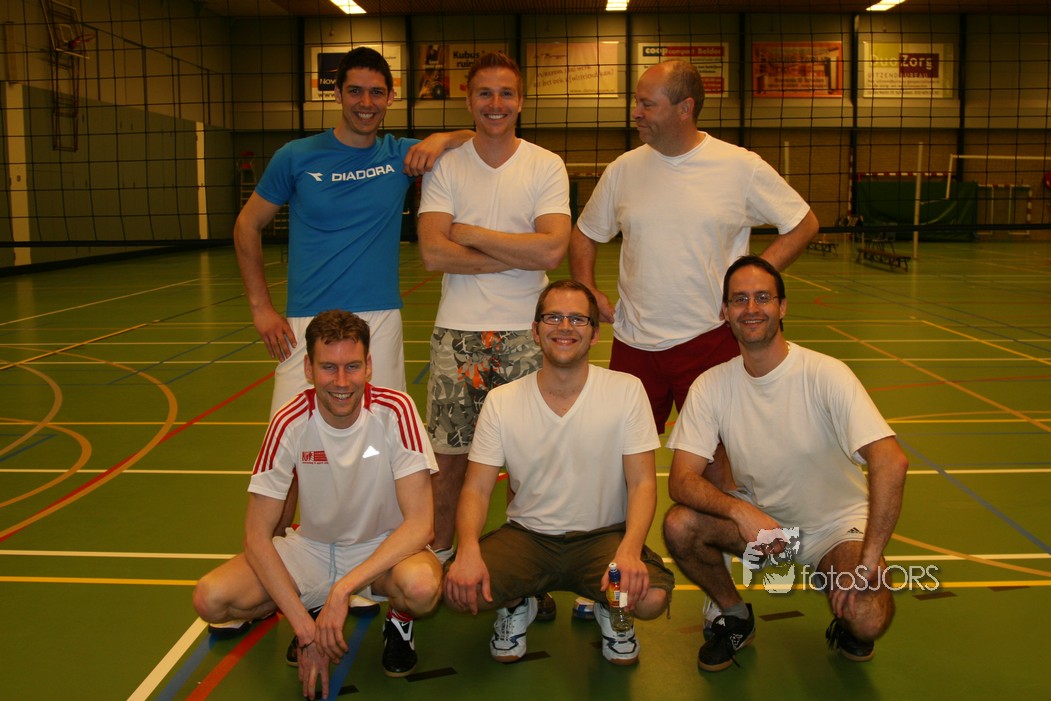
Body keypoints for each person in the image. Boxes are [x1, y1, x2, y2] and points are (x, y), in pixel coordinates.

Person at [661, 256, 909, 672]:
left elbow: (891, 462)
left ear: (782, 307)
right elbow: (681, 480)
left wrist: (868, 561)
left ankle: (848, 617)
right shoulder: (712, 385)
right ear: (725, 312)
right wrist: (740, 511)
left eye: (763, 297)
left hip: (835, 530)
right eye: (739, 299)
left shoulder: (826, 374)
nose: (751, 308)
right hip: (766, 527)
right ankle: (734, 615)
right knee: (679, 526)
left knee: (868, 618)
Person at [192, 310, 441, 700]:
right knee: (210, 599)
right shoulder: (288, 421)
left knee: (422, 586)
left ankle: (397, 620)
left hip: (380, 547)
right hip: (311, 549)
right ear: (308, 368)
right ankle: (304, 608)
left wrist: (342, 591)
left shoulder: (397, 411)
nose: (341, 382)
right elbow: (256, 536)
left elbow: (421, 524)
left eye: (352, 366)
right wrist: (305, 632)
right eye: (328, 367)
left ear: (369, 365)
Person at [569, 59, 819, 435]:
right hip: (633, 341)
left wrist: (749, 284)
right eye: (636, 102)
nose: (635, 113)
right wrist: (587, 288)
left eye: (647, 104)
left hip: (710, 337)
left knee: (718, 454)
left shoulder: (740, 166)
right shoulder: (623, 168)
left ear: (684, 108)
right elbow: (584, 233)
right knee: (621, 452)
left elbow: (803, 224)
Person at [444, 280, 673, 665]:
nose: (565, 327)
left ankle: (611, 606)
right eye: (553, 317)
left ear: (595, 334)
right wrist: (466, 549)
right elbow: (476, 490)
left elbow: (643, 483)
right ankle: (519, 604)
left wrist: (630, 550)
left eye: (577, 319)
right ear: (536, 331)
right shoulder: (502, 401)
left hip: (602, 537)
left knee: (649, 598)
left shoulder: (626, 391)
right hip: (528, 538)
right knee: (460, 590)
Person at [234, 47, 470, 417]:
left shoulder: (401, 155)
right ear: (337, 94)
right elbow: (247, 225)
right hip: (307, 317)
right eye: (355, 91)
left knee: (384, 430)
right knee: (290, 434)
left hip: (379, 318)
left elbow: (479, 141)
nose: (366, 102)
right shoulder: (296, 156)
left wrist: (443, 137)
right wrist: (261, 308)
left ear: (390, 97)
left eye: (376, 92)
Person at [416, 52, 571, 564]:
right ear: (469, 101)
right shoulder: (446, 165)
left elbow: (552, 250)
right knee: (449, 459)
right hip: (457, 335)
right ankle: (441, 554)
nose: (496, 103)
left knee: (530, 461)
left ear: (521, 101)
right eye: (485, 93)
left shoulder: (546, 164)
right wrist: (517, 254)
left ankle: (524, 563)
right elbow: (434, 253)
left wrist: (470, 234)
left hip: (528, 334)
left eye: (506, 93)